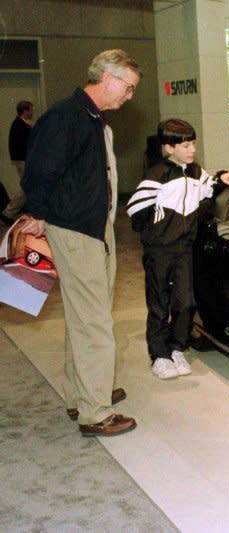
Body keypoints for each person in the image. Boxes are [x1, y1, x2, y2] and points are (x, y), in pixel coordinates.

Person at [18, 49, 140, 436]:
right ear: (107, 77)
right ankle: (95, 411)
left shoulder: (93, 119)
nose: (130, 96)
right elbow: (40, 170)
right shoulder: (65, 117)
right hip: (75, 231)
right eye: (128, 87)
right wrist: (37, 212)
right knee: (94, 322)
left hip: (95, 228)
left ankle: (84, 391)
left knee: (86, 316)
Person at [126, 118, 229, 379]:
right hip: (159, 251)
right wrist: (156, 229)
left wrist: (223, 178)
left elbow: (208, 188)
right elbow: (135, 208)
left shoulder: (196, 171)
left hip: (184, 249)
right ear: (169, 148)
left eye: (193, 144)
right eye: (185, 145)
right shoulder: (157, 175)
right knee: (158, 303)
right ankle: (159, 355)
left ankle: (177, 347)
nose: (191, 150)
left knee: (185, 302)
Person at [2, 100, 34, 223]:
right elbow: (23, 144)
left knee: (28, 186)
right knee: (27, 187)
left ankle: (13, 211)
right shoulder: (19, 125)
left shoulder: (22, 124)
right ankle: (8, 212)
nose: (32, 112)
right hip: (22, 160)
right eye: (31, 109)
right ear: (25, 110)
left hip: (24, 159)